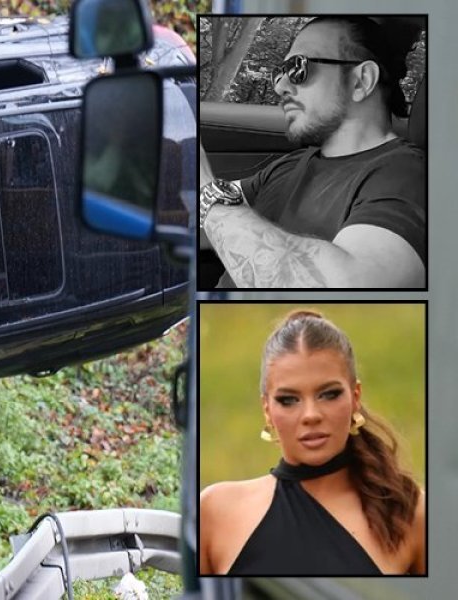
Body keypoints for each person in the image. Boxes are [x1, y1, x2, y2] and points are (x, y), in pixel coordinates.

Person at [199, 17, 425, 288]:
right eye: (278, 73)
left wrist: (208, 193)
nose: (280, 86)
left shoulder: (405, 176)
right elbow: (208, 225)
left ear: (360, 82)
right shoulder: (292, 164)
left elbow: (347, 291)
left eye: (298, 68)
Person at [199, 310, 425, 575]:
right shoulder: (215, 511)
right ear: (267, 409)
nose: (311, 415)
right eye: (288, 400)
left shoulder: (407, 511)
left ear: (355, 397)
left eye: (329, 394)